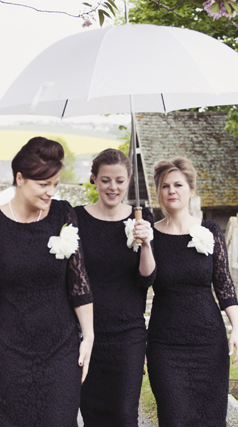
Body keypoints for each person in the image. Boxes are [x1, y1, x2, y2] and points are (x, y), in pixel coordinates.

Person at [0, 136, 94, 427]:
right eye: (43, 184)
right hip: (10, 350)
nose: (51, 191)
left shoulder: (64, 214)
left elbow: (79, 281)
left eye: (55, 184)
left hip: (60, 350)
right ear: (20, 178)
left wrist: (87, 336)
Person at [146, 157, 238, 427]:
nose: (171, 191)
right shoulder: (148, 237)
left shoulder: (210, 231)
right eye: (165, 186)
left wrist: (236, 328)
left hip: (208, 343)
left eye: (178, 184)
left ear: (191, 190)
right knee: (174, 418)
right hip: (165, 346)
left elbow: (223, 284)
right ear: (159, 192)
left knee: (209, 420)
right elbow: (140, 284)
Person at [74, 148, 155, 427]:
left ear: (129, 180)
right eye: (106, 180)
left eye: (120, 180)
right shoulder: (75, 220)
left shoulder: (142, 220)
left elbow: (146, 278)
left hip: (128, 335)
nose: (113, 187)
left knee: (123, 414)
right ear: (94, 179)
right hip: (86, 334)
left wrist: (145, 243)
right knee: (93, 415)